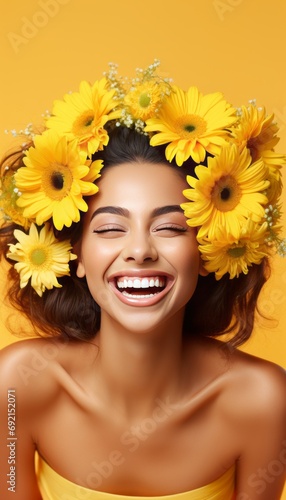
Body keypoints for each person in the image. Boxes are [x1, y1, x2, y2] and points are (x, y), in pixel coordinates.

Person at [0, 61, 285, 500]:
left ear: (208, 251)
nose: (139, 250)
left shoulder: (263, 400)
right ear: (74, 253)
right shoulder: (17, 385)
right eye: (110, 228)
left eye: (169, 228)